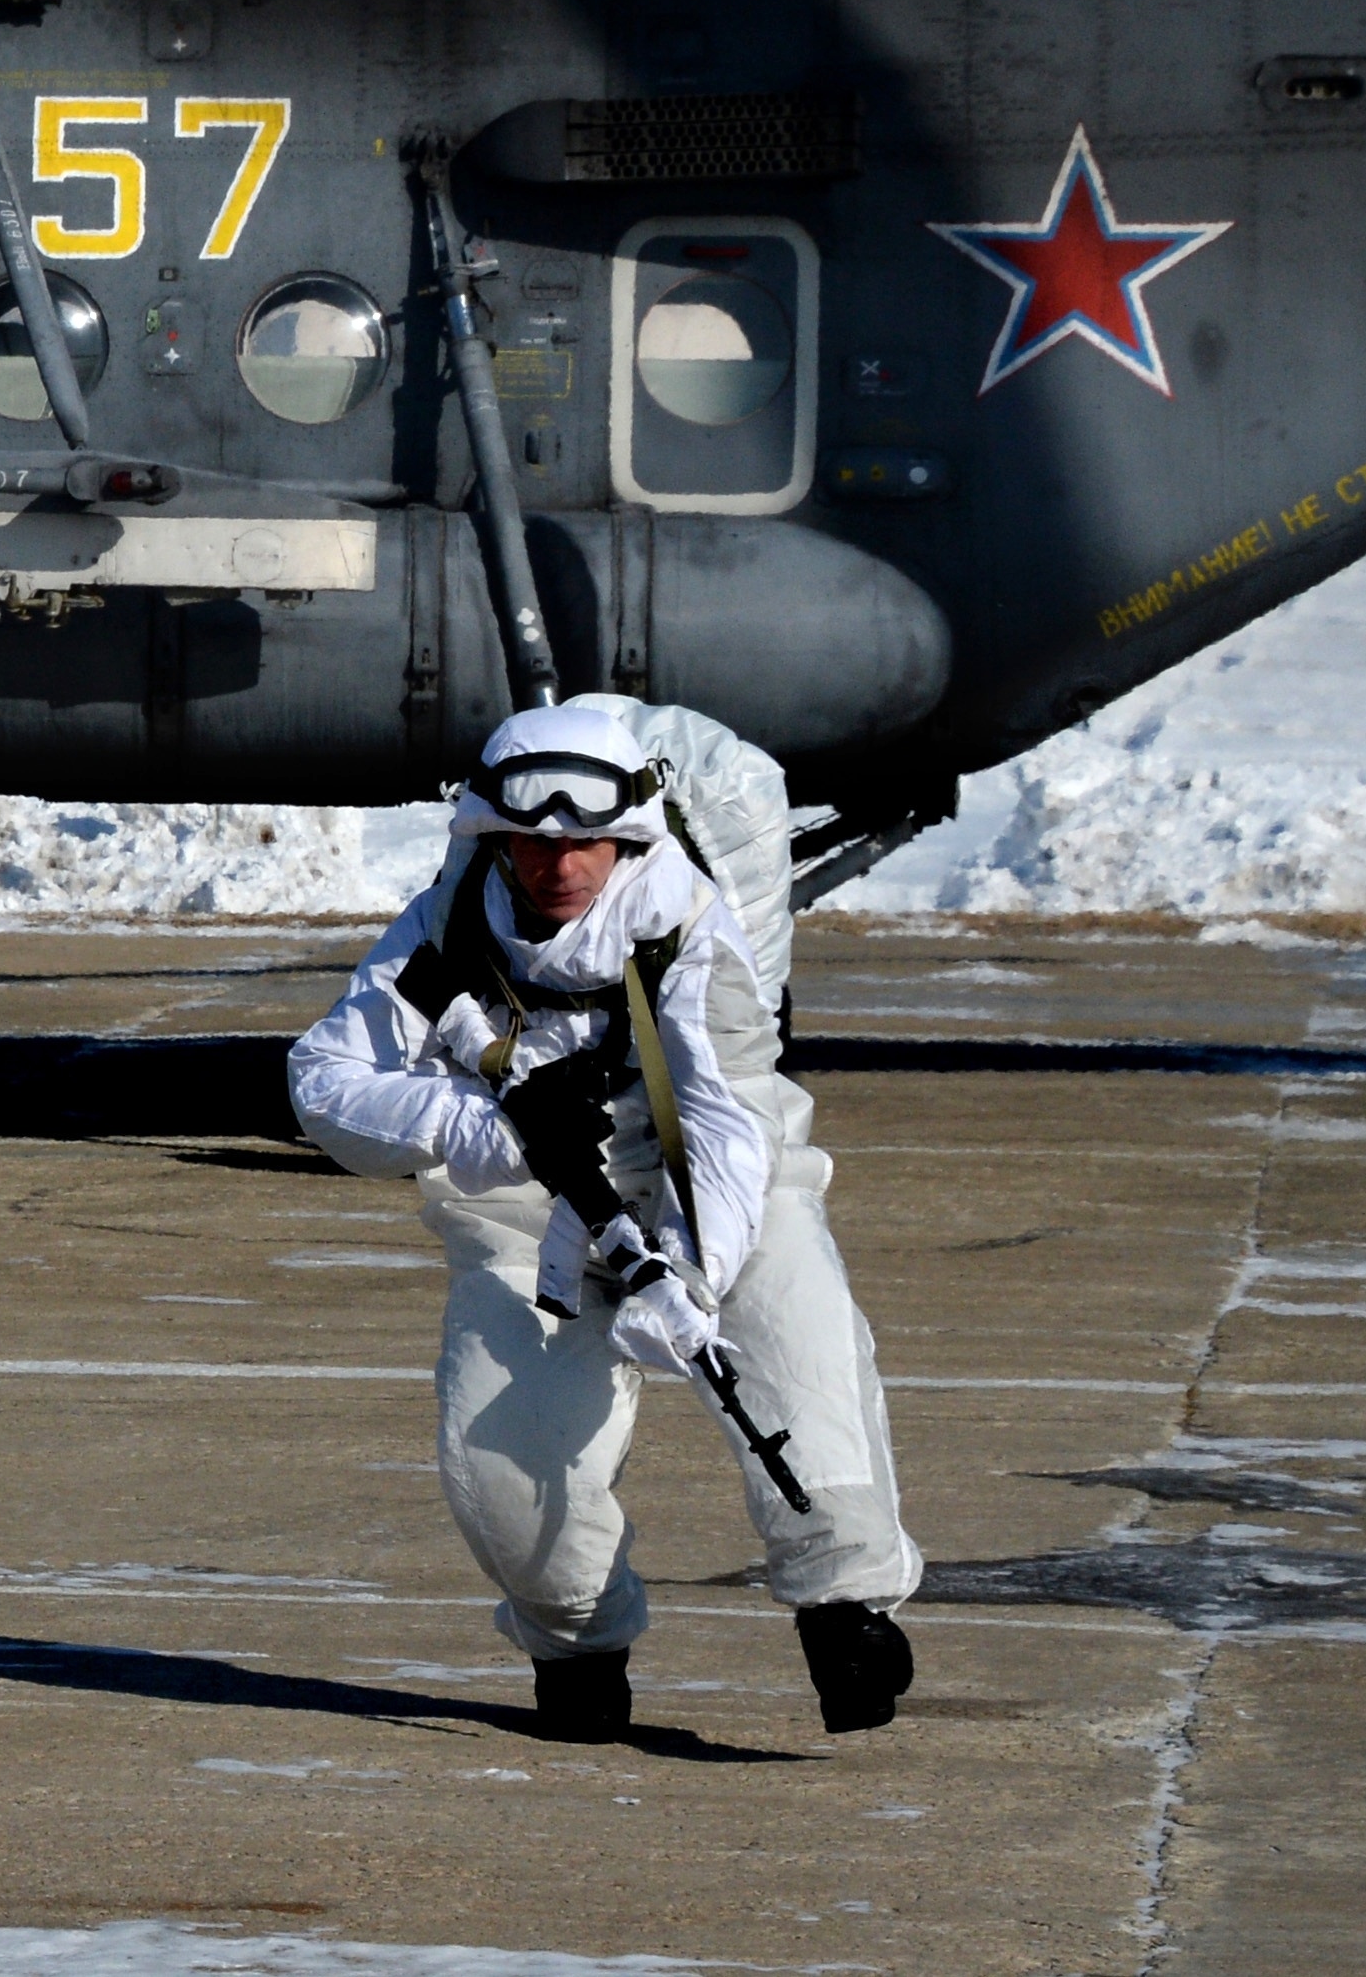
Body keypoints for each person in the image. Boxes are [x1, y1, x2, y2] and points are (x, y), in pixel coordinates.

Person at [285, 705, 919, 1742]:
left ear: (630, 836)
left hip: (718, 1189)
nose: (559, 865)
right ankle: (580, 1647)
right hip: (523, 1204)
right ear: (492, 838)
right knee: (506, 1472)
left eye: (586, 841)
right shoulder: (446, 928)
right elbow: (323, 1079)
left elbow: (720, 1119)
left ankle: (845, 1610)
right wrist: (468, 1124)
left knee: (799, 1374)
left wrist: (691, 1275)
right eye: (532, 842)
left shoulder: (686, 923)